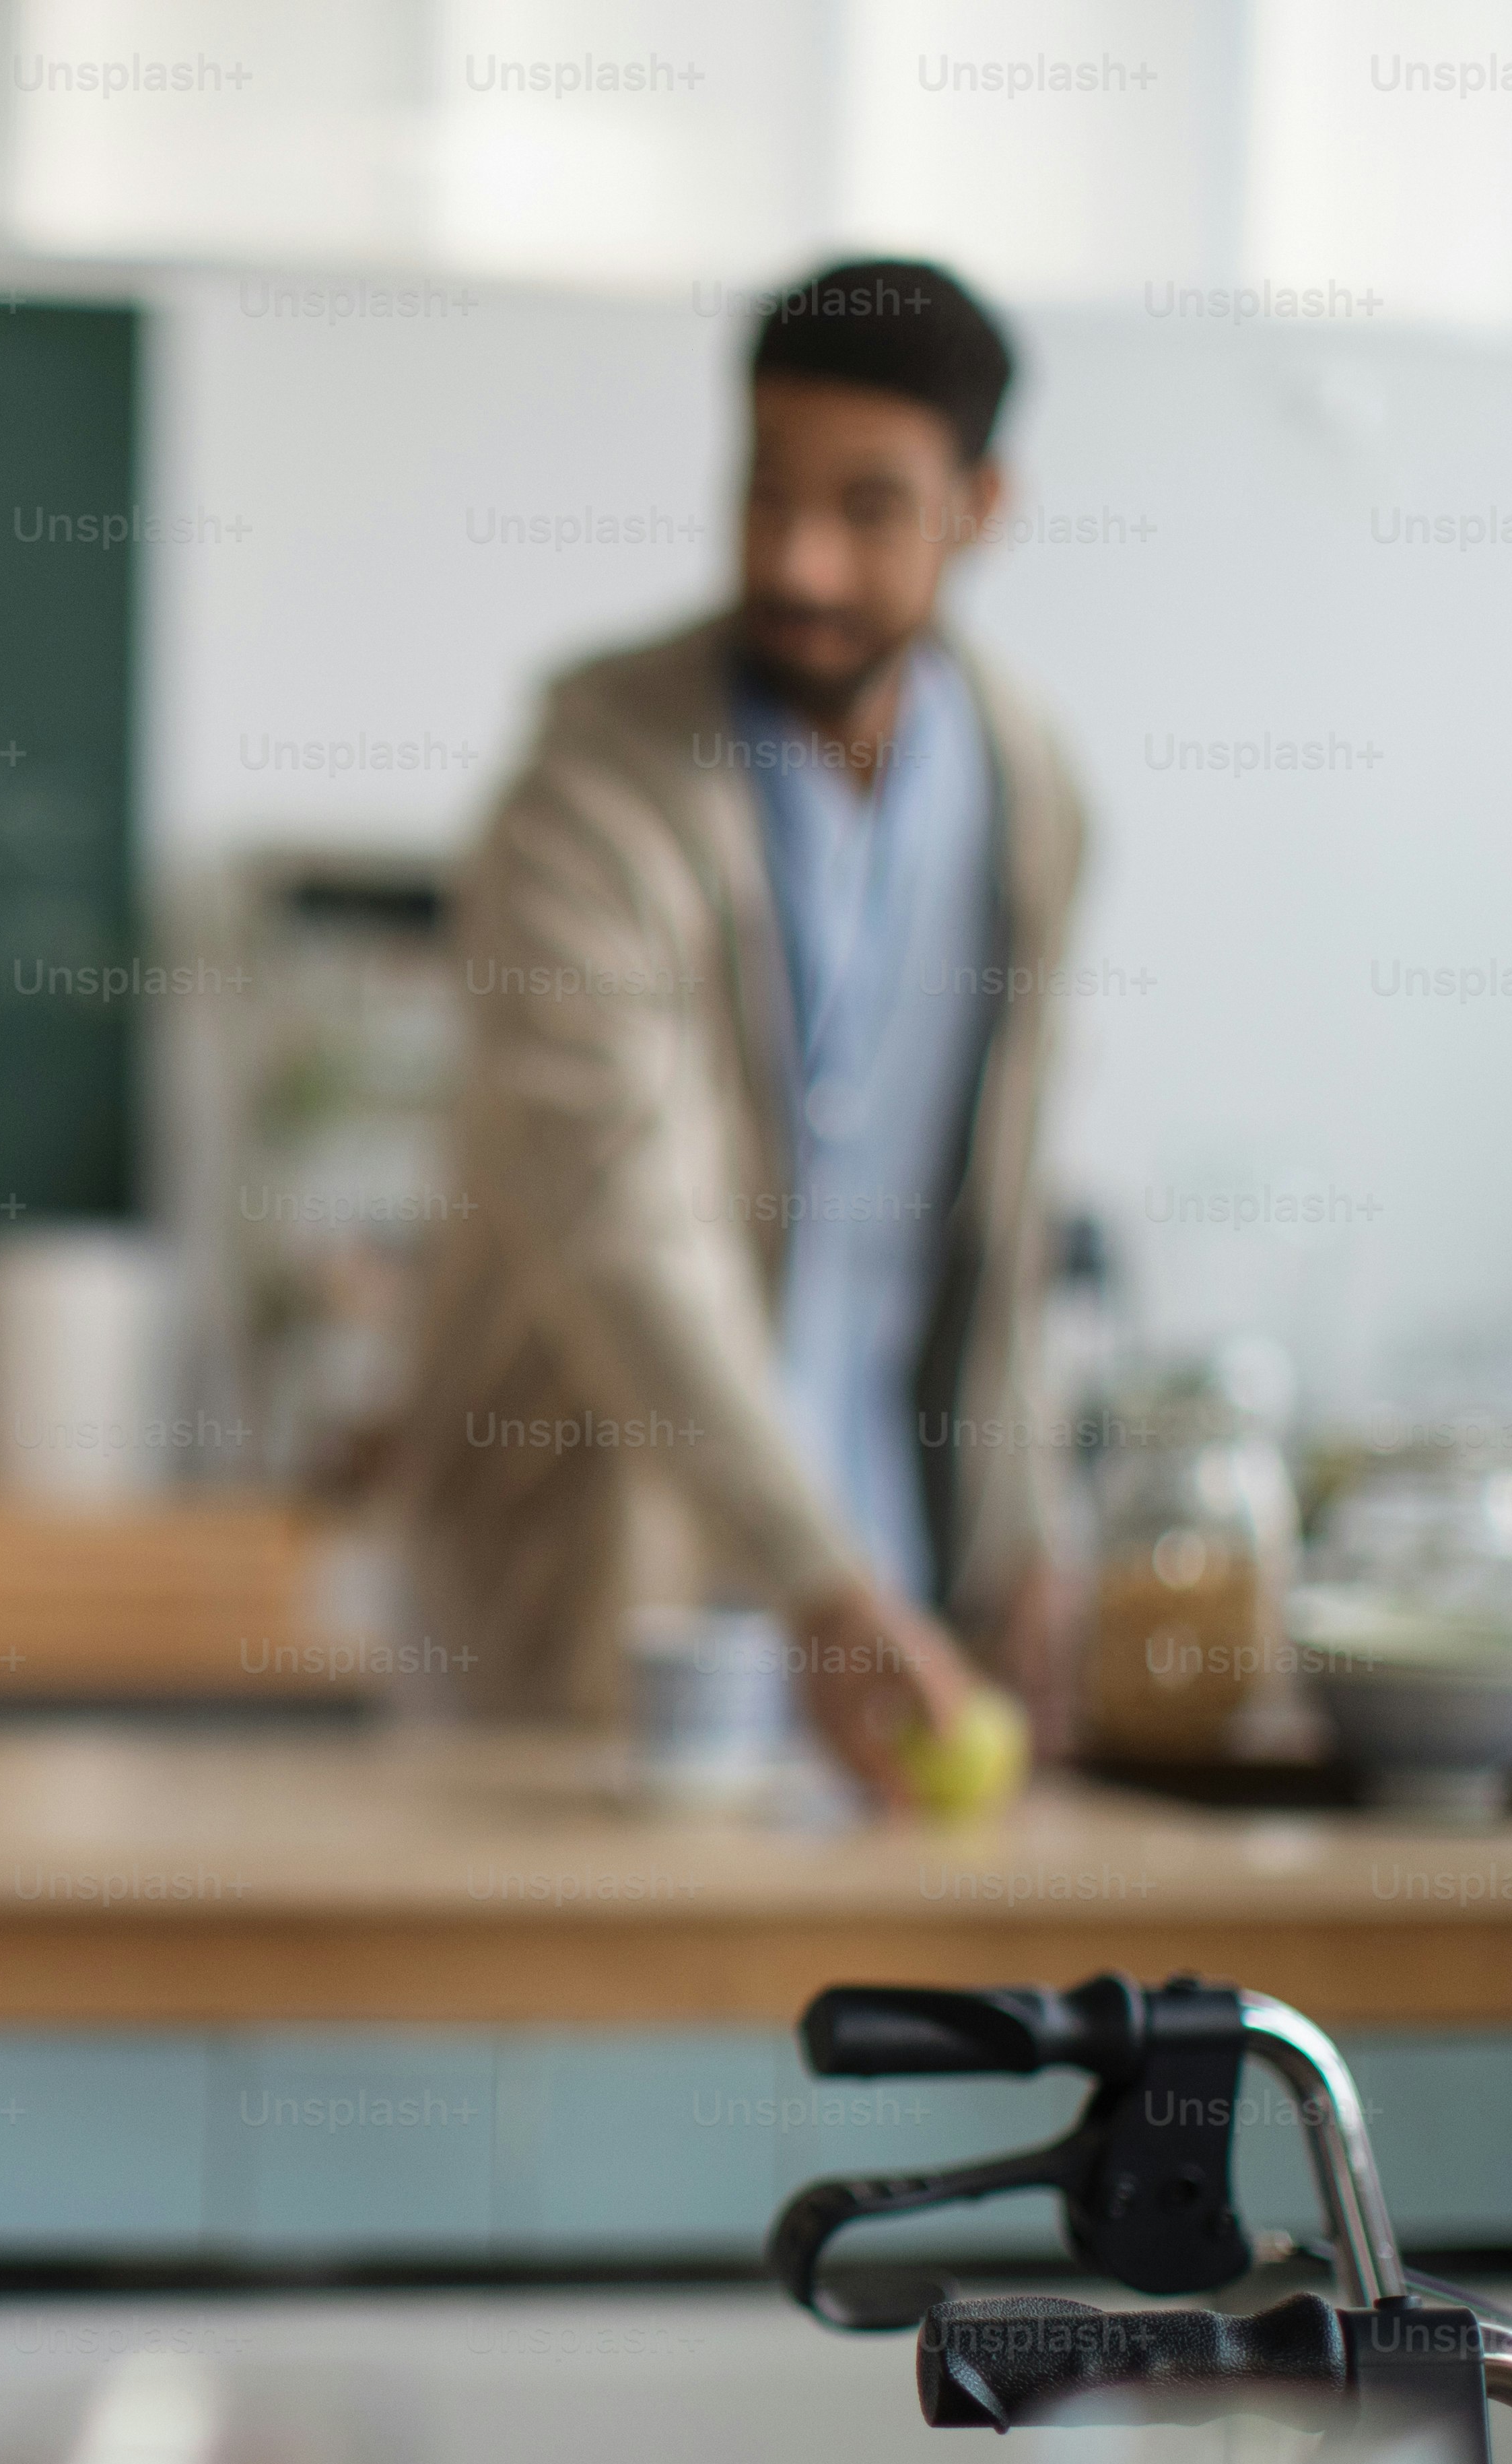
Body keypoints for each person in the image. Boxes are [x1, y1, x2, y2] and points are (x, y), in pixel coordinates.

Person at [401, 255, 1090, 1795]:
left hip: (906, 1635)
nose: (802, 560)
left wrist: (1032, 1538)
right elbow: (618, 1223)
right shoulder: (589, 788)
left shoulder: (1033, 798)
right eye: (768, 491)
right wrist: (810, 1581)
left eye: (868, 508)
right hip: (619, 1611)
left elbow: (1008, 1232)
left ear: (980, 508)